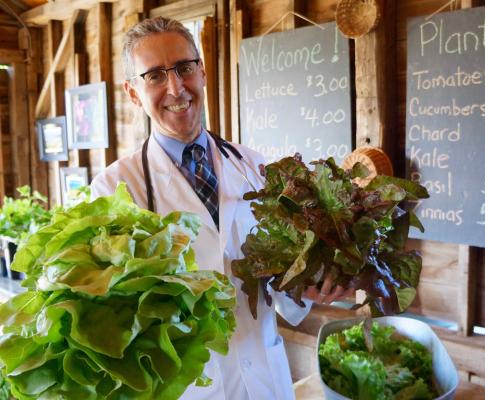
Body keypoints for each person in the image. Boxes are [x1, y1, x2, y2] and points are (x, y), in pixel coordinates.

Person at [90, 17, 354, 400]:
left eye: (184, 68)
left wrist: (307, 287)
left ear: (202, 72)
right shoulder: (114, 190)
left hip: (265, 378)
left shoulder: (254, 168)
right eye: (155, 76)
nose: (176, 87)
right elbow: (113, 324)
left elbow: (278, 287)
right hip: (189, 390)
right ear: (133, 93)